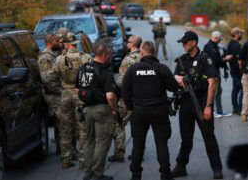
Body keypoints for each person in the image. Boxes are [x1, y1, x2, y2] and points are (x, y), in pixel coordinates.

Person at [122, 41, 179, 180]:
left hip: (139, 112)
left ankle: (136, 176)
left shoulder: (133, 69)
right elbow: (173, 87)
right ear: (154, 52)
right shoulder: (162, 68)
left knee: (138, 145)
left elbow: (125, 91)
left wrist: (132, 107)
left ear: (141, 53)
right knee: (161, 144)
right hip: (159, 111)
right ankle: (165, 175)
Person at [172, 31, 223, 179]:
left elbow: (212, 83)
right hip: (186, 103)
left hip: (201, 102)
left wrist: (208, 106)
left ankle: (217, 169)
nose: (183, 44)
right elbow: (175, 79)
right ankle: (181, 167)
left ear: (194, 42)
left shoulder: (205, 59)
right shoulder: (182, 60)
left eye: (185, 42)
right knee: (186, 139)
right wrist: (176, 77)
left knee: (209, 138)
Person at [76, 38, 118, 180]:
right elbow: (110, 96)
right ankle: (98, 174)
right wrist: (114, 110)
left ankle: (88, 174)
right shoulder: (106, 72)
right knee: (102, 144)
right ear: (105, 54)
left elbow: (78, 87)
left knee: (89, 142)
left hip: (87, 109)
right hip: (102, 110)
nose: (112, 56)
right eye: (111, 53)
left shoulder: (83, 68)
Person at [52, 32, 92, 168]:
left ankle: (66, 159)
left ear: (66, 44)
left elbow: (52, 76)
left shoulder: (59, 59)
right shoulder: (86, 58)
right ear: (75, 43)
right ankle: (83, 161)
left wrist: (59, 88)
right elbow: (91, 77)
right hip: (81, 94)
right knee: (83, 128)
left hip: (65, 95)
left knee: (65, 127)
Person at [108, 35, 142, 163]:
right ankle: (138, 153)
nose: (126, 43)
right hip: (141, 98)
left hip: (127, 98)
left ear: (133, 44)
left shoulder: (128, 59)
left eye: (128, 41)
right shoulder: (143, 57)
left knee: (119, 124)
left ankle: (119, 153)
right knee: (138, 127)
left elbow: (121, 80)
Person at [38, 33, 62, 153]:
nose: (59, 43)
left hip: (56, 91)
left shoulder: (55, 54)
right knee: (61, 120)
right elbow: (47, 79)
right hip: (52, 93)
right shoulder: (45, 57)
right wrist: (60, 91)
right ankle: (63, 149)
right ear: (50, 42)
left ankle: (62, 147)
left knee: (61, 121)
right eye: (57, 41)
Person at [203, 31, 232, 118]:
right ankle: (213, 111)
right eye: (219, 40)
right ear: (215, 38)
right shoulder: (209, 47)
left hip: (215, 72)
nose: (219, 41)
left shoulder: (214, 46)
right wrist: (225, 59)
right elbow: (214, 61)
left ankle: (219, 111)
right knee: (214, 92)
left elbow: (217, 59)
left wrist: (223, 58)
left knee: (218, 91)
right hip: (212, 73)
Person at [226, 28, 244, 115]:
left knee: (235, 89)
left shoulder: (231, 43)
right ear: (237, 33)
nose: (242, 35)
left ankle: (235, 108)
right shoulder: (236, 45)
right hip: (237, 70)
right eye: (241, 33)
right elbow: (238, 59)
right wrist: (241, 69)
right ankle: (239, 109)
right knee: (242, 88)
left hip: (233, 69)